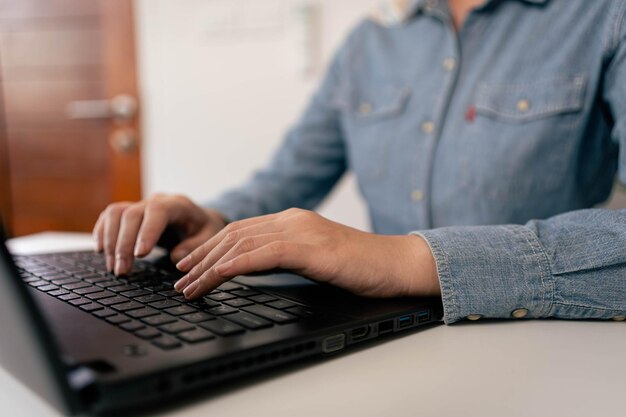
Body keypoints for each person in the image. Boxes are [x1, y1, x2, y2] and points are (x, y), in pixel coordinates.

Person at [93, 0, 626, 324]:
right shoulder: (369, 42)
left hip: (538, 339)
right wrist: (211, 219)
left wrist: (404, 260)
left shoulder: (603, 15)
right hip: (385, 339)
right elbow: (288, 177)